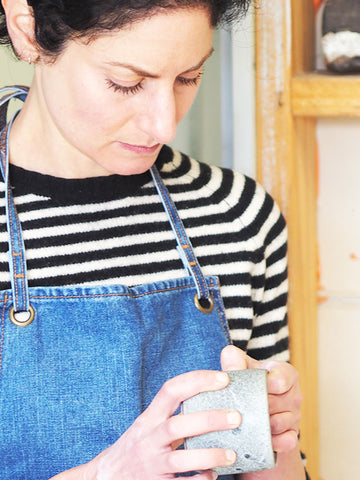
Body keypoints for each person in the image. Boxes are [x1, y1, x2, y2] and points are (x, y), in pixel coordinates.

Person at [0, 0, 307, 479]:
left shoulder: (237, 214)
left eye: (188, 77)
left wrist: (277, 445)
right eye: (127, 82)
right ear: (28, 29)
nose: (165, 124)